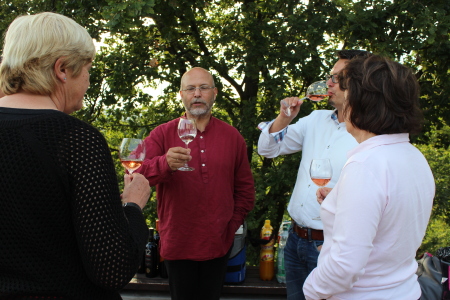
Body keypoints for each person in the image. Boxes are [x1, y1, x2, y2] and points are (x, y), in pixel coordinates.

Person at [0, 12, 151, 300]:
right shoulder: (75, 139)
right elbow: (113, 269)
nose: (89, 81)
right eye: (88, 68)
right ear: (62, 69)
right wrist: (133, 206)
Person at [303, 55, 435, 299]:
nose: (341, 104)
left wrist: (311, 290)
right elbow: (391, 216)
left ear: (362, 102)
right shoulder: (412, 156)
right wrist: (342, 199)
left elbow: (344, 267)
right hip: (404, 291)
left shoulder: (366, 165)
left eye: (346, 95)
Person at [257, 50, 369, 300]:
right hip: (294, 241)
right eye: (330, 76)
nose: (329, 83)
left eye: (338, 78)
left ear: (360, 84)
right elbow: (267, 149)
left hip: (331, 246)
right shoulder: (315, 119)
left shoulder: (369, 134)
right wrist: (284, 117)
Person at [136, 67, 255, 300]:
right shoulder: (161, 134)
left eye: (204, 88)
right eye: (190, 89)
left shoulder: (233, 137)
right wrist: (165, 164)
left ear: (215, 93)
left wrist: (229, 227)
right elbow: (137, 174)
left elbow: (245, 191)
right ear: (181, 95)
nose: (197, 94)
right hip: (178, 242)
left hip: (218, 243)